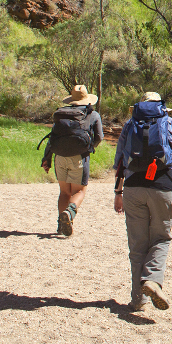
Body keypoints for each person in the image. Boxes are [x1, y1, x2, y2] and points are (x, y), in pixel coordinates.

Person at [112, 92, 172, 312]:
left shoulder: (130, 125)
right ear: (161, 107)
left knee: (137, 246)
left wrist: (118, 192)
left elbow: (120, 161)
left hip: (133, 188)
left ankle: (138, 300)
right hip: (163, 187)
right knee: (161, 239)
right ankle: (152, 280)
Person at [39, 84, 103, 237]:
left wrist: (46, 158)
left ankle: (61, 226)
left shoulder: (61, 114)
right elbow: (99, 137)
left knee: (64, 192)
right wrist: (88, 148)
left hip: (59, 157)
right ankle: (70, 212)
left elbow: (51, 138)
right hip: (79, 157)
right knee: (79, 191)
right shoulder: (92, 114)